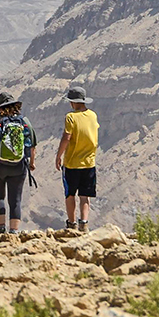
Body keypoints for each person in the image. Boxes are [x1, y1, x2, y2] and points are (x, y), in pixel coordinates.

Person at [0, 92, 36, 235]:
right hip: (19, 166)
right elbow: (32, 143)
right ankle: (13, 231)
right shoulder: (24, 121)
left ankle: (0, 229)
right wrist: (32, 163)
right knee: (15, 199)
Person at [55, 87, 99, 233]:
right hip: (89, 162)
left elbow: (66, 137)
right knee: (85, 196)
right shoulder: (93, 115)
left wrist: (58, 155)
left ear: (73, 102)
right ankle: (84, 224)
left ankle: (72, 224)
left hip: (72, 163)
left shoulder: (70, 117)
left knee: (70, 194)